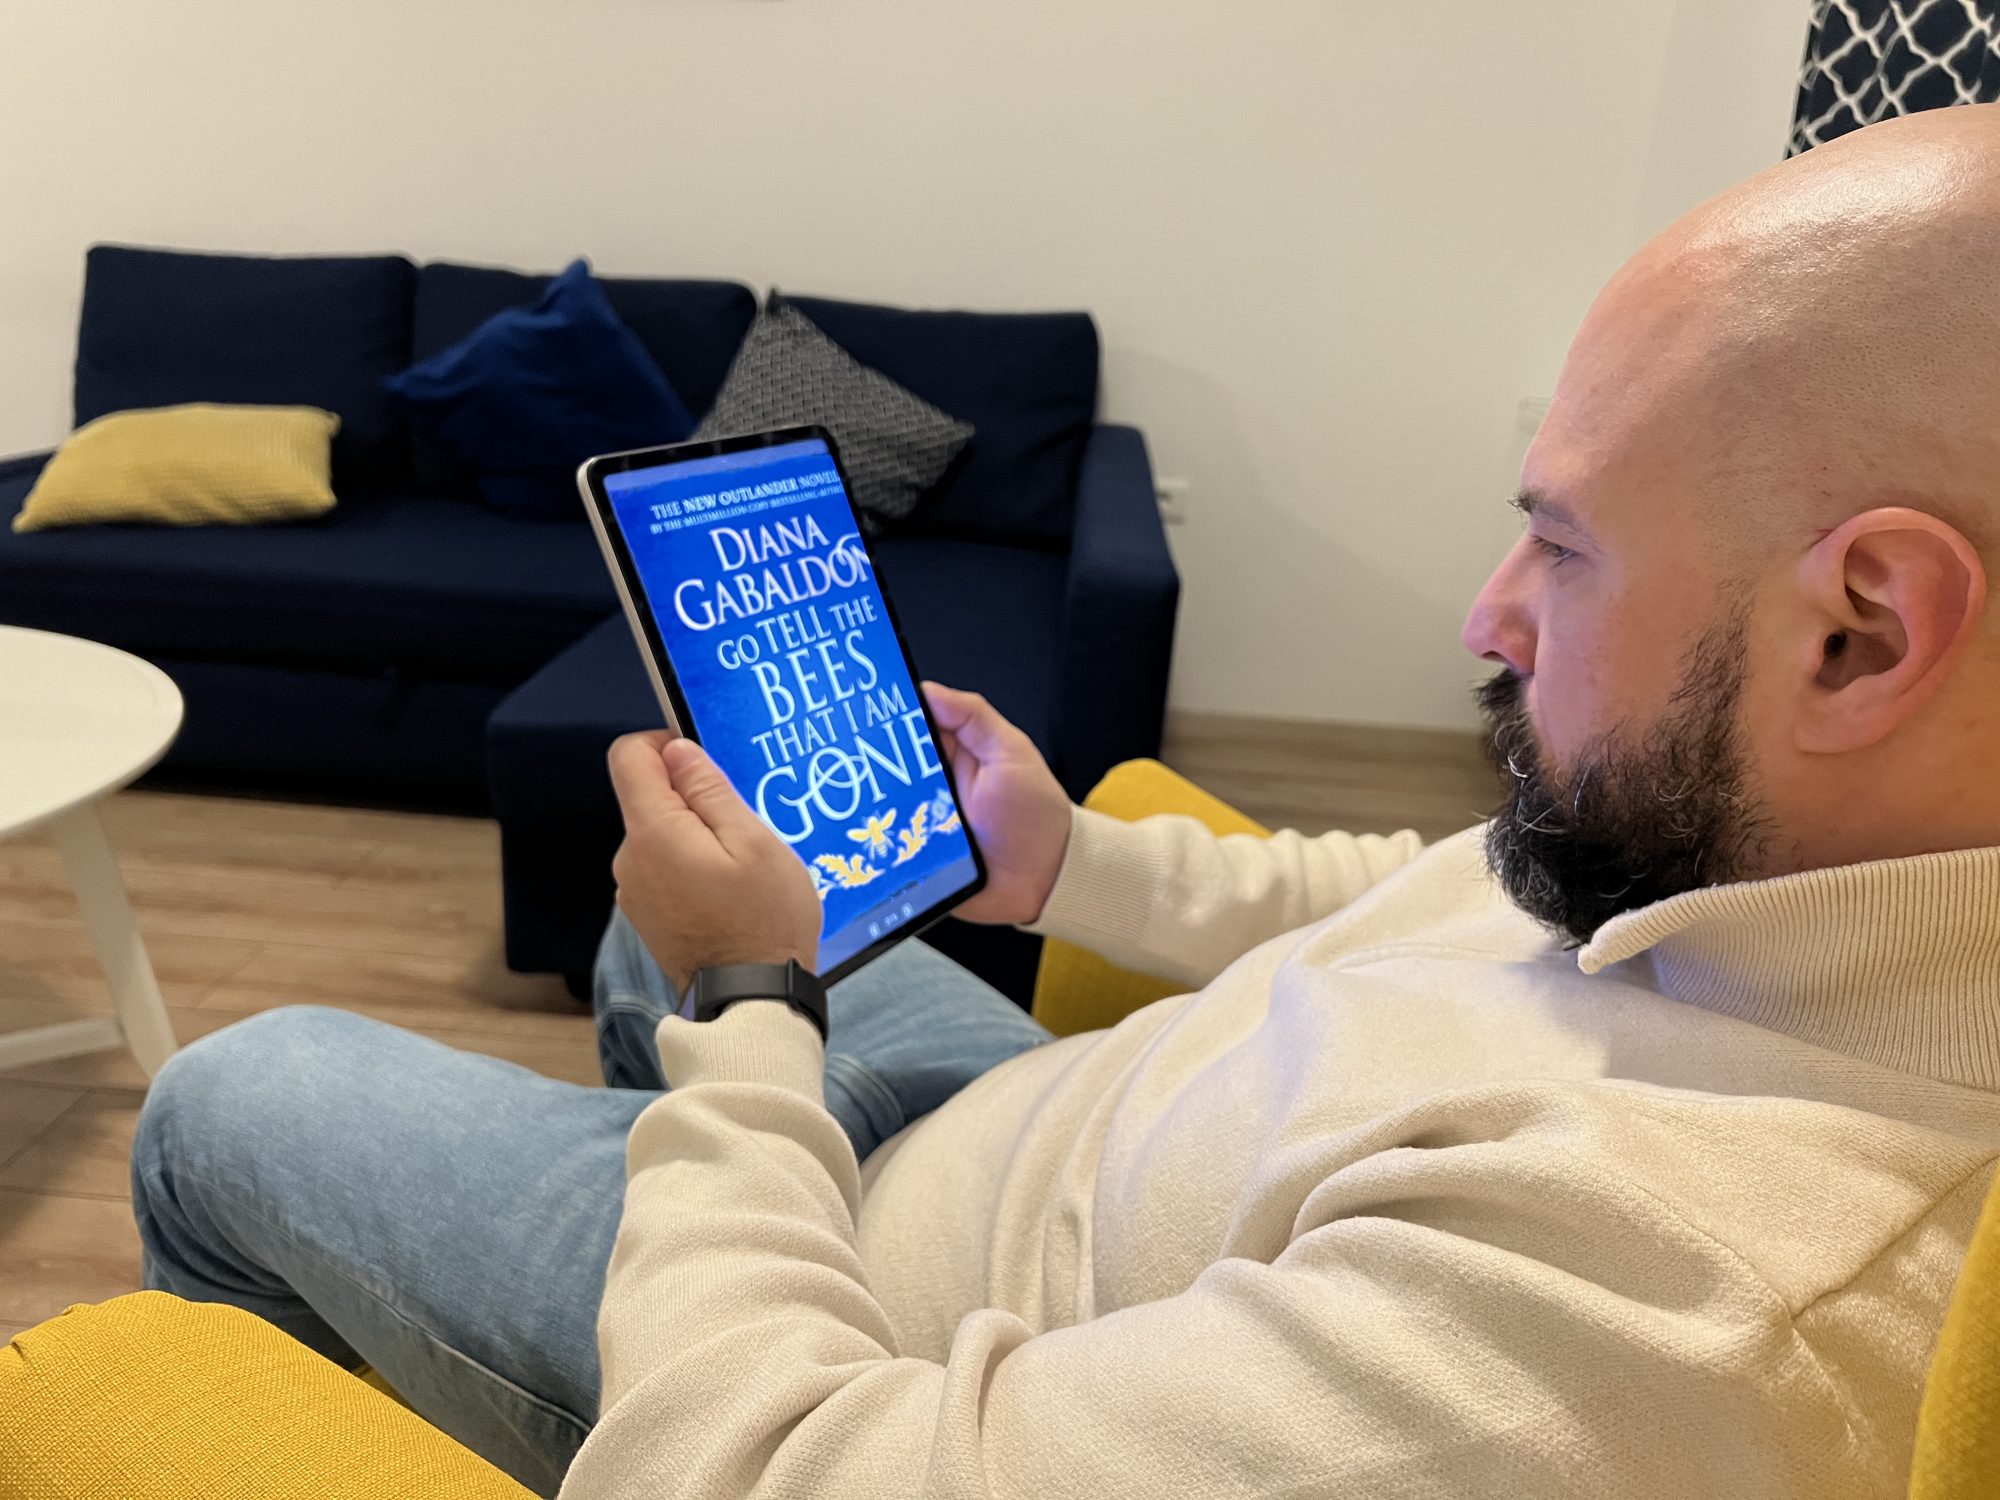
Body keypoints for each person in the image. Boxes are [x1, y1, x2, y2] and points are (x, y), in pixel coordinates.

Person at [132, 102, 2000, 1499]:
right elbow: (1426, 888)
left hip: (879, 1336)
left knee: (229, 1099)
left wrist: (751, 1012)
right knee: (668, 909)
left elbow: (796, 1469)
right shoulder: (1748, 857)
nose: (1487, 615)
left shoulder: (1668, 1313)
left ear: (1861, 632)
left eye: (1563, 547)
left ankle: (598, 1259)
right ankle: (655, 1153)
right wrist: (1064, 864)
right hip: (1033, 1133)